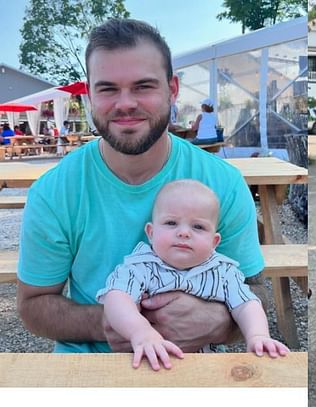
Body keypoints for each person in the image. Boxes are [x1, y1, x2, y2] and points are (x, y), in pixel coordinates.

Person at [17, 18, 266, 354]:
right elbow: (33, 306)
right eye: (107, 89)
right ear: (89, 96)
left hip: (193, 373)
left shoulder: (223, 183)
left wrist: (219, 322)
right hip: (92, 373)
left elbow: (253, 289)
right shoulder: (54, 192)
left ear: (172, 90)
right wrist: (113, 323)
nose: (125, 103)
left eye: (143, 86)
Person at [97, 180, 288, 370]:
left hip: (206, 366)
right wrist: (141, 332)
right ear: (151, 233)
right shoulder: (140, 267)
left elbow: (247, 305)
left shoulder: (223, 272)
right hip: (147, 363)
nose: (183, 232)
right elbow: (117, 298)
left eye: (198, 227)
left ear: (214, 242)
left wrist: (257, 336)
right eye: (171, 223)